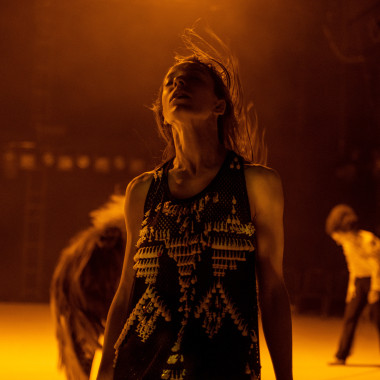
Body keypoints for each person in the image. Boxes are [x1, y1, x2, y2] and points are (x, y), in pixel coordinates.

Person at [96, 26, 293, 380]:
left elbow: (274, 288)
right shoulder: (142, 191)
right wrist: (105, 370)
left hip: (224, 367)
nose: (178, 86)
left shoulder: (256, 184)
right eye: (170, 82)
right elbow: (127, 288)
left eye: (192, 79)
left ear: (220, 105)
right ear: (162, 112)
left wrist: (286, 377)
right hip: (142, 367)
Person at [326, 204, 380, 365]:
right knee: (350, 316)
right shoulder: (347, 244)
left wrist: (376, 289)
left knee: (377, 318)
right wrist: (351, 288)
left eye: (338, 236)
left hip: (376, 278)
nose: (337, 241)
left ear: (347, 231)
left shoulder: (367, 240)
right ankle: (341, 355)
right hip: (359, 281)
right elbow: (352, 267)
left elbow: (377, 265)